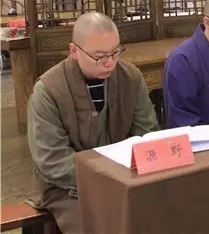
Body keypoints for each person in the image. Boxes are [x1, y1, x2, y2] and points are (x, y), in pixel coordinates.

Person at [27, 12, 159, 234]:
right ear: (74, 51)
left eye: (115, 52)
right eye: (99, 57)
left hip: (127, 178)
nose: (110, 63)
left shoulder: (130, 77)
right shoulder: (49, 90)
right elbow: (52, 160)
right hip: (69, 188)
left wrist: (127, 174)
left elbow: (148, 134)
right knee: (102, 226)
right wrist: (105, 177)